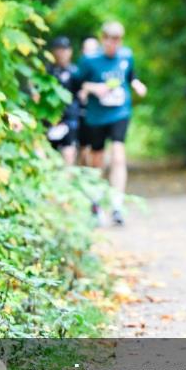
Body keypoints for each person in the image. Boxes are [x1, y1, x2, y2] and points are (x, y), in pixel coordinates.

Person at [78, 21, 147, 225]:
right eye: (109, 40)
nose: (113, 44)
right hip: (97, 116)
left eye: (117, 40)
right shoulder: (89, 60)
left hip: (120, 112)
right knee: (97, 159)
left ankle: (117, 205)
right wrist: (94, 88)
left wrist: (137, 84)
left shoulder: (126, 56)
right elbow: (78, 83)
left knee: (118, 154)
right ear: (103, 39)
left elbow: (130, 76)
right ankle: (96, 202)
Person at [44, 36, 80, 166]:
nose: (61, 53)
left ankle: (67, 180)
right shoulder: (47, 71)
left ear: (70, 51)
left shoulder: (75, 72)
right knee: (47, 151)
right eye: (58, 50)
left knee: (69, 151)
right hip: (49, 117)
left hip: (69, 117)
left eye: (64, 50)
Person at [76, 37, 101, 167]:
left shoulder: (102, 70)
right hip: (81, 114)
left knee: (97, 148)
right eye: (87, 49)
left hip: (99, 116)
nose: (90, 53)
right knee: (82, 147)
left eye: (93, 49)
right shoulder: (77, 71)